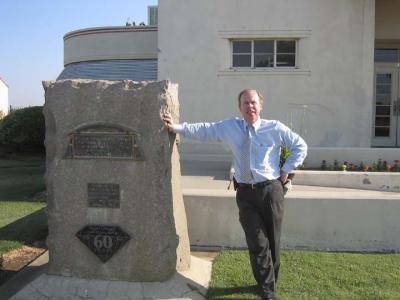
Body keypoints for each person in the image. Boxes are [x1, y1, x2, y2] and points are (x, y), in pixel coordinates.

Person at [162, 89, 307, 300]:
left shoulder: (274, 128)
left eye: (254, 102)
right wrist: (176, 127)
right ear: (240, 107)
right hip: (246, 194)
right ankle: (267, 289)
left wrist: (285, 171)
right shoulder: (230, 127)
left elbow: (300, 146)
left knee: (273, 240)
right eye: (246, 103)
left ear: (261, 105)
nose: (250, 106)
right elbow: (205, 130)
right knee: (257, 242)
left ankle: (271, 278)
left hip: (271, 191)